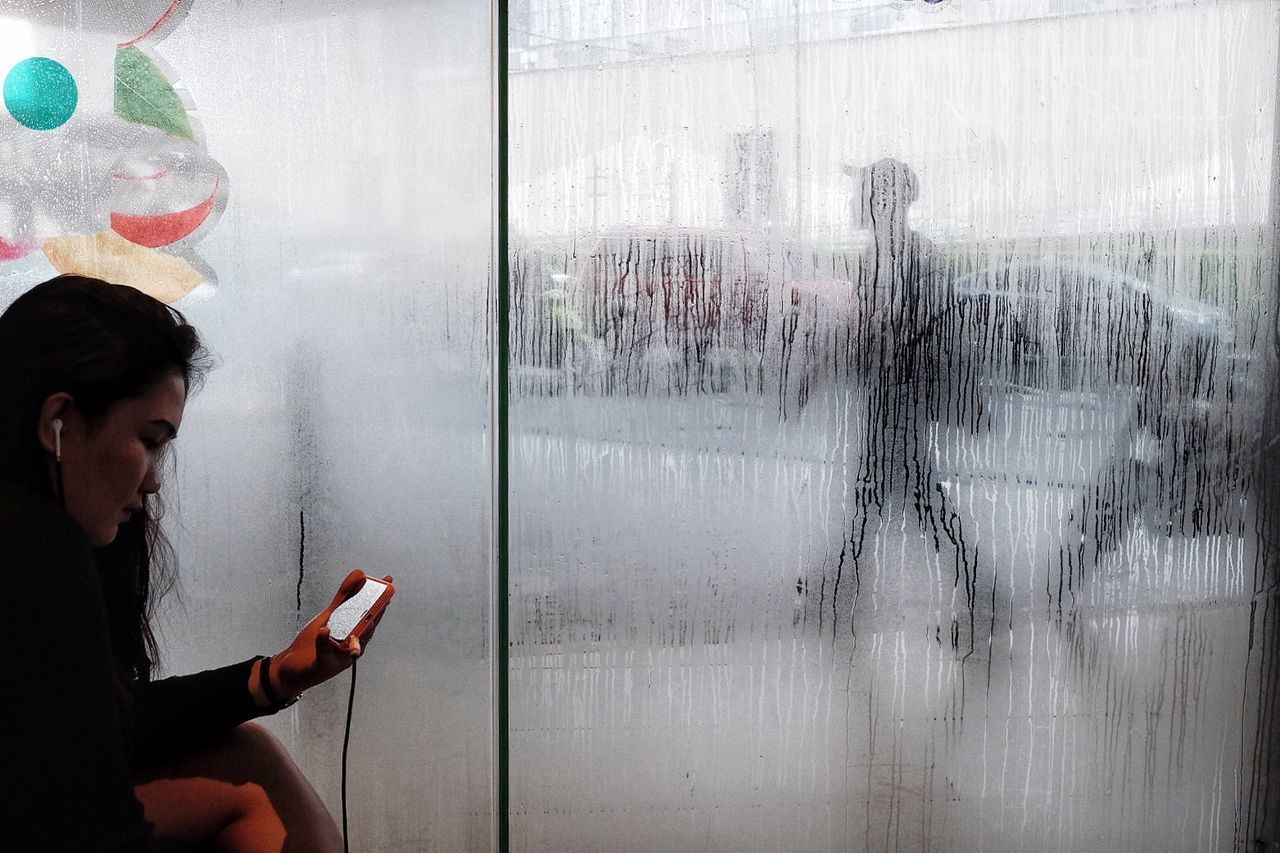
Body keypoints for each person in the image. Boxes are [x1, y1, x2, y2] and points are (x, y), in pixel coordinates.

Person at [0, 274, 391, 851]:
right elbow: (87, 814)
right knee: (251, 770)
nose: (156, 481)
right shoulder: (37, 547)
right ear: (59, 422)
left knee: (248, 754)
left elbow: (96, 730)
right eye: (150, 439)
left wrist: (274, 675)